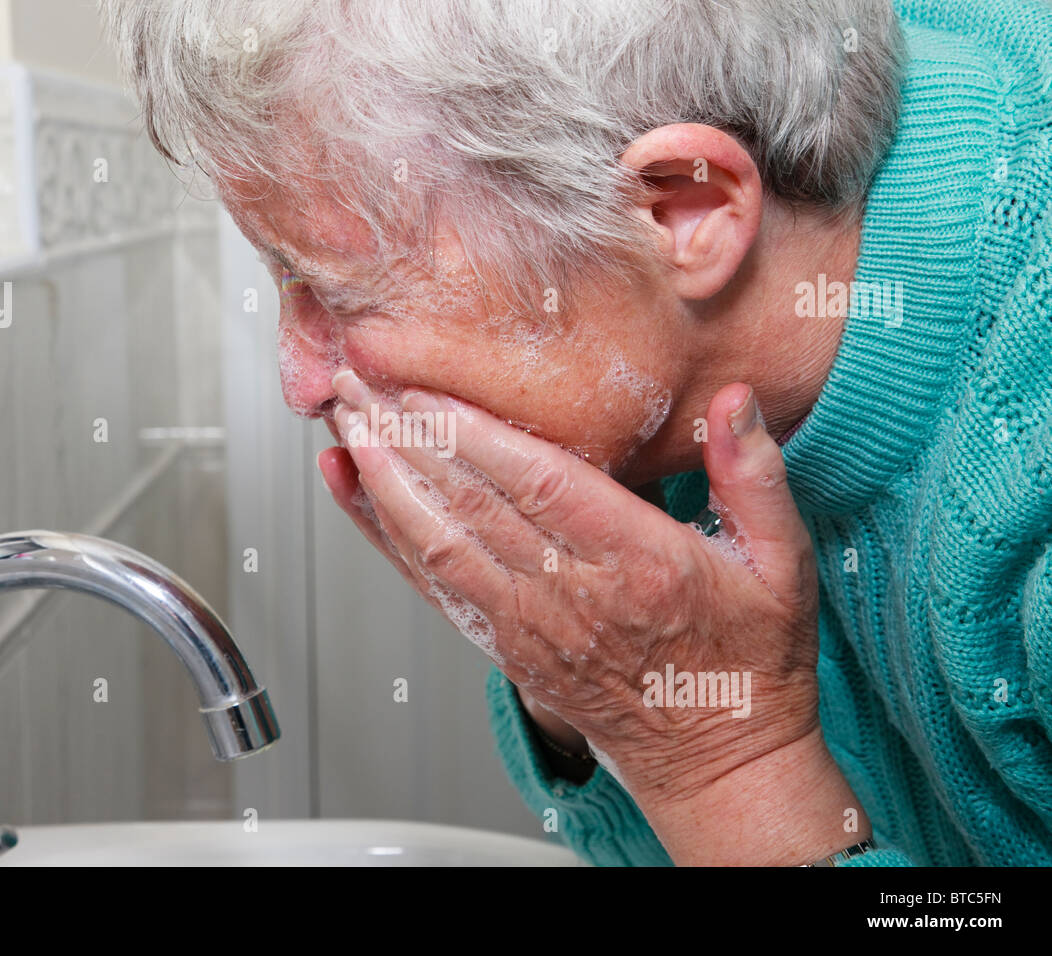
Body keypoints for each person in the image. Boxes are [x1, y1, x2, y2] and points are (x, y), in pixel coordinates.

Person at [103, 0, 1052, 865]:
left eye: (341, 291)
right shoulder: (650, 363)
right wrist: (594, 679)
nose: (301, 383)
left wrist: (725, 765)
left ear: (686, 209)